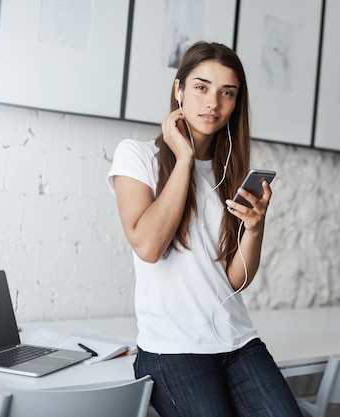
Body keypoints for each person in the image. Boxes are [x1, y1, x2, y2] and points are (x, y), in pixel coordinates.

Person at [106, 41, 303, 417]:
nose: (213, 102)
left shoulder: (231, 171)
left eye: (226, 93)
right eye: (201, 87)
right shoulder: (136, 156)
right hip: (173, 350)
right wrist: (184, 159)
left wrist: (256, 228)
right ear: (179, 90)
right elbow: (147, 246)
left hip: (238, 342)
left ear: (235, 103)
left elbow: (234, 281)